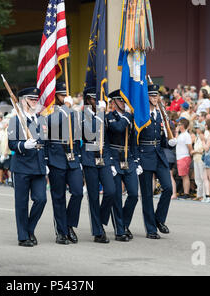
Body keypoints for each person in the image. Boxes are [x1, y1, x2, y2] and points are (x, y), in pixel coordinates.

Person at [7, 87, 47, 247]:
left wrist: (46, 161)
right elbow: (11, 144)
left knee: (41, 199)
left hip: (38, 166)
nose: (34, 102)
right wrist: (24, 145)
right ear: (23, 101)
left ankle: (30, 229)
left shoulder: (41, 120)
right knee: (22, 203)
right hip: (22, 166)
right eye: (31, 99)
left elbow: (45, 143)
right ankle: (23, 236)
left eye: (36, 99)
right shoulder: (15, 120)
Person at [46, 82, 84, 245]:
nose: (65, 98)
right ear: (56, 96)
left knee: (78, 192)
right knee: (59, 196)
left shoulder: (73, 113)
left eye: (66, 95)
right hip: (56, 155)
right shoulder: (50, 110)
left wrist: (79, 156)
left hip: (72, 156)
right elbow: (52, 123)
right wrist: (66, 107)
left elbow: (79, 134)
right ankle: (61, 231)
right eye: (62, 95)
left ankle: (69, 225)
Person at [137, 84, 177, 239]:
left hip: (159, 155)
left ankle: (159, 219)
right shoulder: (141, 114)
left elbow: (162, 138)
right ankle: (151, 229)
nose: (155, 98)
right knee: (147, 194)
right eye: (152, 96)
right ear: (147, 97)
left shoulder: (161, 114)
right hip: (144, 154)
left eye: (156, 96)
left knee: (168, 188)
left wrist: (170, 143)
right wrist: (136, 159)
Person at [105, 89, 141, 242]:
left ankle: (124, 224)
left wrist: (137, 160)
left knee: (133, 194)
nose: (123, 102)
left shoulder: (131, 118)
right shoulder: (109, 118)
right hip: (114, 157)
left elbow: (133, 141)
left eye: (124, 100)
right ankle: (119, 230)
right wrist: (109, 163)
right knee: (116, 197)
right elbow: (117, 128)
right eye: (120, 100)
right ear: (113, 102)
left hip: (129, 158)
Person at [80, 86, 115, 243]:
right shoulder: (82, 116)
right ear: (88, 100)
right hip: (89, 157)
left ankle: (99, 221)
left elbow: (110, 137)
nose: (96, 101)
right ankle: (98, 231)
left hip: (104, 157)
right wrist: (101, 114)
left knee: (111, 191)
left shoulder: (104, 115)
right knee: (93, 196)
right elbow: (90, 134)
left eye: (98, 98)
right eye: (94, 99)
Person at [175, 118, 193, 199]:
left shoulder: (186, 135)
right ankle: (185, 192)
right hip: (180, 156)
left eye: (179, 124)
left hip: (184, 156)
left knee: (185, 175)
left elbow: (189, 146)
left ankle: (186, 193)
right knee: (183, 175)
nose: (178, 126)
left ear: (183, 125)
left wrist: (190, 154)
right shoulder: (181, 134)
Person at [192, 124, 206, 201]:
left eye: (197, 128)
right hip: (196, 158)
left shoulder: (203, 136)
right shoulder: (197, 137)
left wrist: (195, 151)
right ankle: (199, 194)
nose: (196, 129)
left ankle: (204, 195)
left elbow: (202, 149)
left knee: (202, 177)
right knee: (197, 177)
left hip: (201, 158)